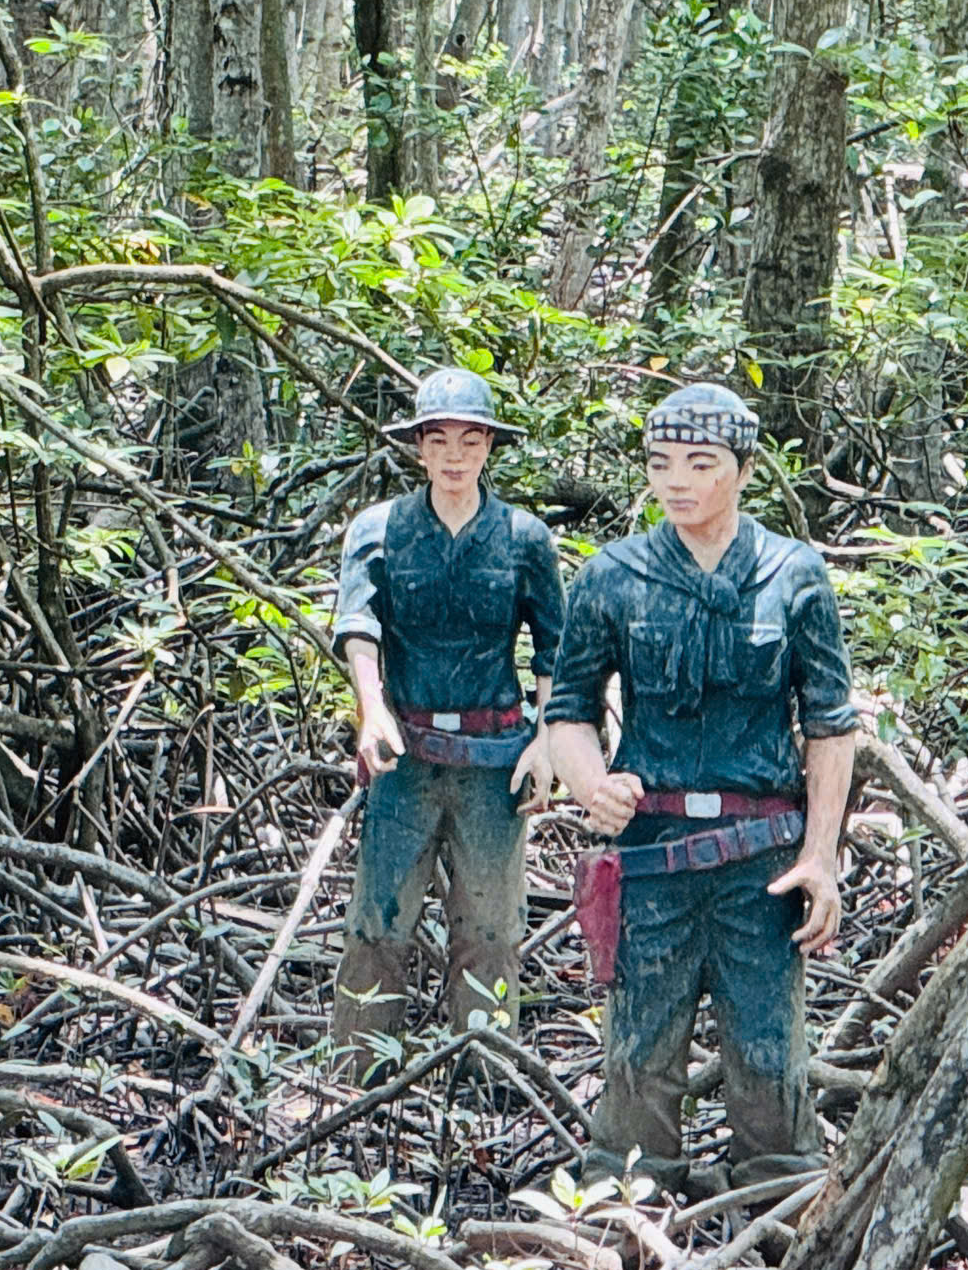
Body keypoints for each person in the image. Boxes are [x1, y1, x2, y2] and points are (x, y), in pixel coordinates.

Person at [544, 384, 857, 1194]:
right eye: (661, 464)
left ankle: (780, 1215)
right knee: (639, 1050)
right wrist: (588, 782)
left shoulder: (796, 576)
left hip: (764, 859)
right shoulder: (614, 577)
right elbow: (567, 710)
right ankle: (627, 1219)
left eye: (700, 463)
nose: (677, 481)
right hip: (652, 854)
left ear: (743, 470)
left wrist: (820, 856)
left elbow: (829, 725)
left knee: (767, 1050)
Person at [330, 367, 566, 1072]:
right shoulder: (381, 530)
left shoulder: (525, 539)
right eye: (440, 441)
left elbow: (555, 648)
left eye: (471, 440)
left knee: (491, 929)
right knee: (378, 923)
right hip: (405, 759)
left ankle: (487, 1080)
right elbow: (357, 625)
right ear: (419, 448)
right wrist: (371, 710)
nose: (455, 456)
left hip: (494, 762)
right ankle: (358, 1083)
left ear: (490, 446)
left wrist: (548, 739)